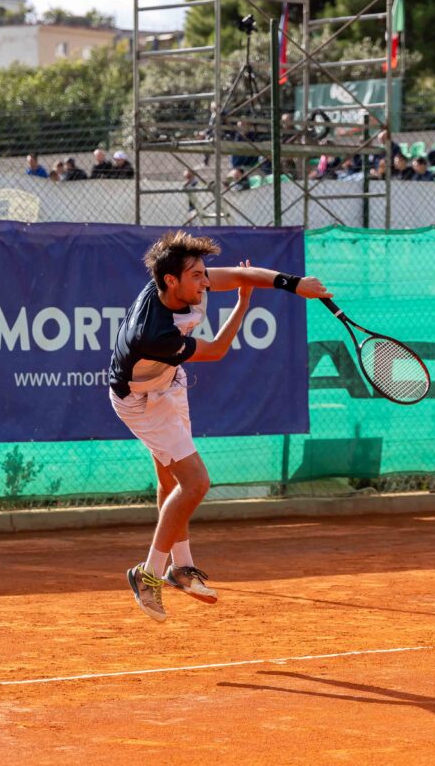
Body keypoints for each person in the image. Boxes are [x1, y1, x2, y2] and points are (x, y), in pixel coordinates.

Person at [110, 230, 332, 621]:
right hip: (140, 402)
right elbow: (215, 350)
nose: (204, 281)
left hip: (169, 383)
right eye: (196, 275)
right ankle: (149, 573)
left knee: (171, 481)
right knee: (195, 483)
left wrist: (295, 285)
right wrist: (242, 305)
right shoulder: (154, 334)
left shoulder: (179, 283)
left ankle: (181, 567)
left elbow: (245, 275)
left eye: (203, 273)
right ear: (171, 281)